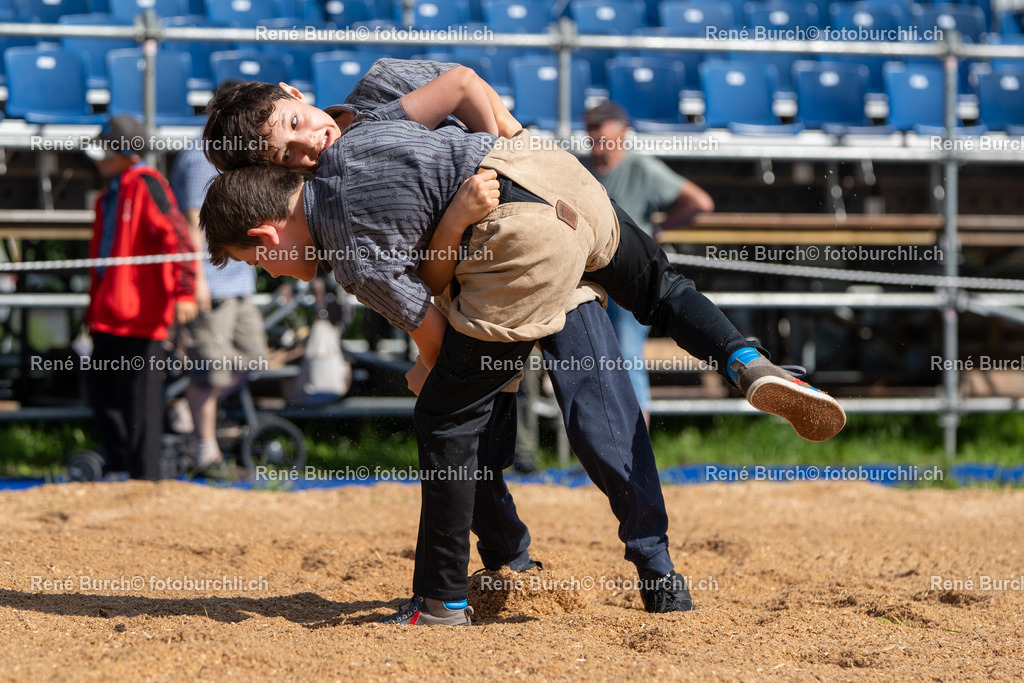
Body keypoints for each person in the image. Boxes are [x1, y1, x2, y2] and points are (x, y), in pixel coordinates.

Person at [199, 66, 847, 625]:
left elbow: (433, 323)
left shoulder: (348, 235)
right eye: (283, 158)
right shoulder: (380, 101)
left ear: (265, 231)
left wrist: (429, 362)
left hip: (508, 251)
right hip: (555, 179)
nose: (306, 152)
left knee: (448, 417)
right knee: (655, 303)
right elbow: (463, 84)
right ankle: (740, 369)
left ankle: (447, 597)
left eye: (261, 263)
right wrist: (509, 147)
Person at [583, 100, 716, 424]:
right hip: (588, 277)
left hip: (628, 277)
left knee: (625, 356)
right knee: (596, 358)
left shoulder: (640, 167)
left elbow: (700, 202)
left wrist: (660, 228)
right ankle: (607, 441)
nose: (595, 135)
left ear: (623, 132)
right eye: (591, 128)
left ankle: (634, 442)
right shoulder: (581, 167)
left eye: (601, 128)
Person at [82, 115, 198, 480]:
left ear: (127, 153)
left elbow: (178, 237)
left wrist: (184, 290)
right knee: (103, 396)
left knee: (141, 407)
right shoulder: (110, 194)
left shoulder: (147, 184)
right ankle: (120, 471)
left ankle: (145, 481)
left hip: (141, 318)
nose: (99, 159)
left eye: (106, 151)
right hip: (107, 317)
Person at [171, 134, 269, 470]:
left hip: (238, 283)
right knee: (208, 375)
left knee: (255, 359)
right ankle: (206, 452)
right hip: (211, 286)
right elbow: (191, 221)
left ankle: (187, 409)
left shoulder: (236, 155)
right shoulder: (200, 156)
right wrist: (195, 279)